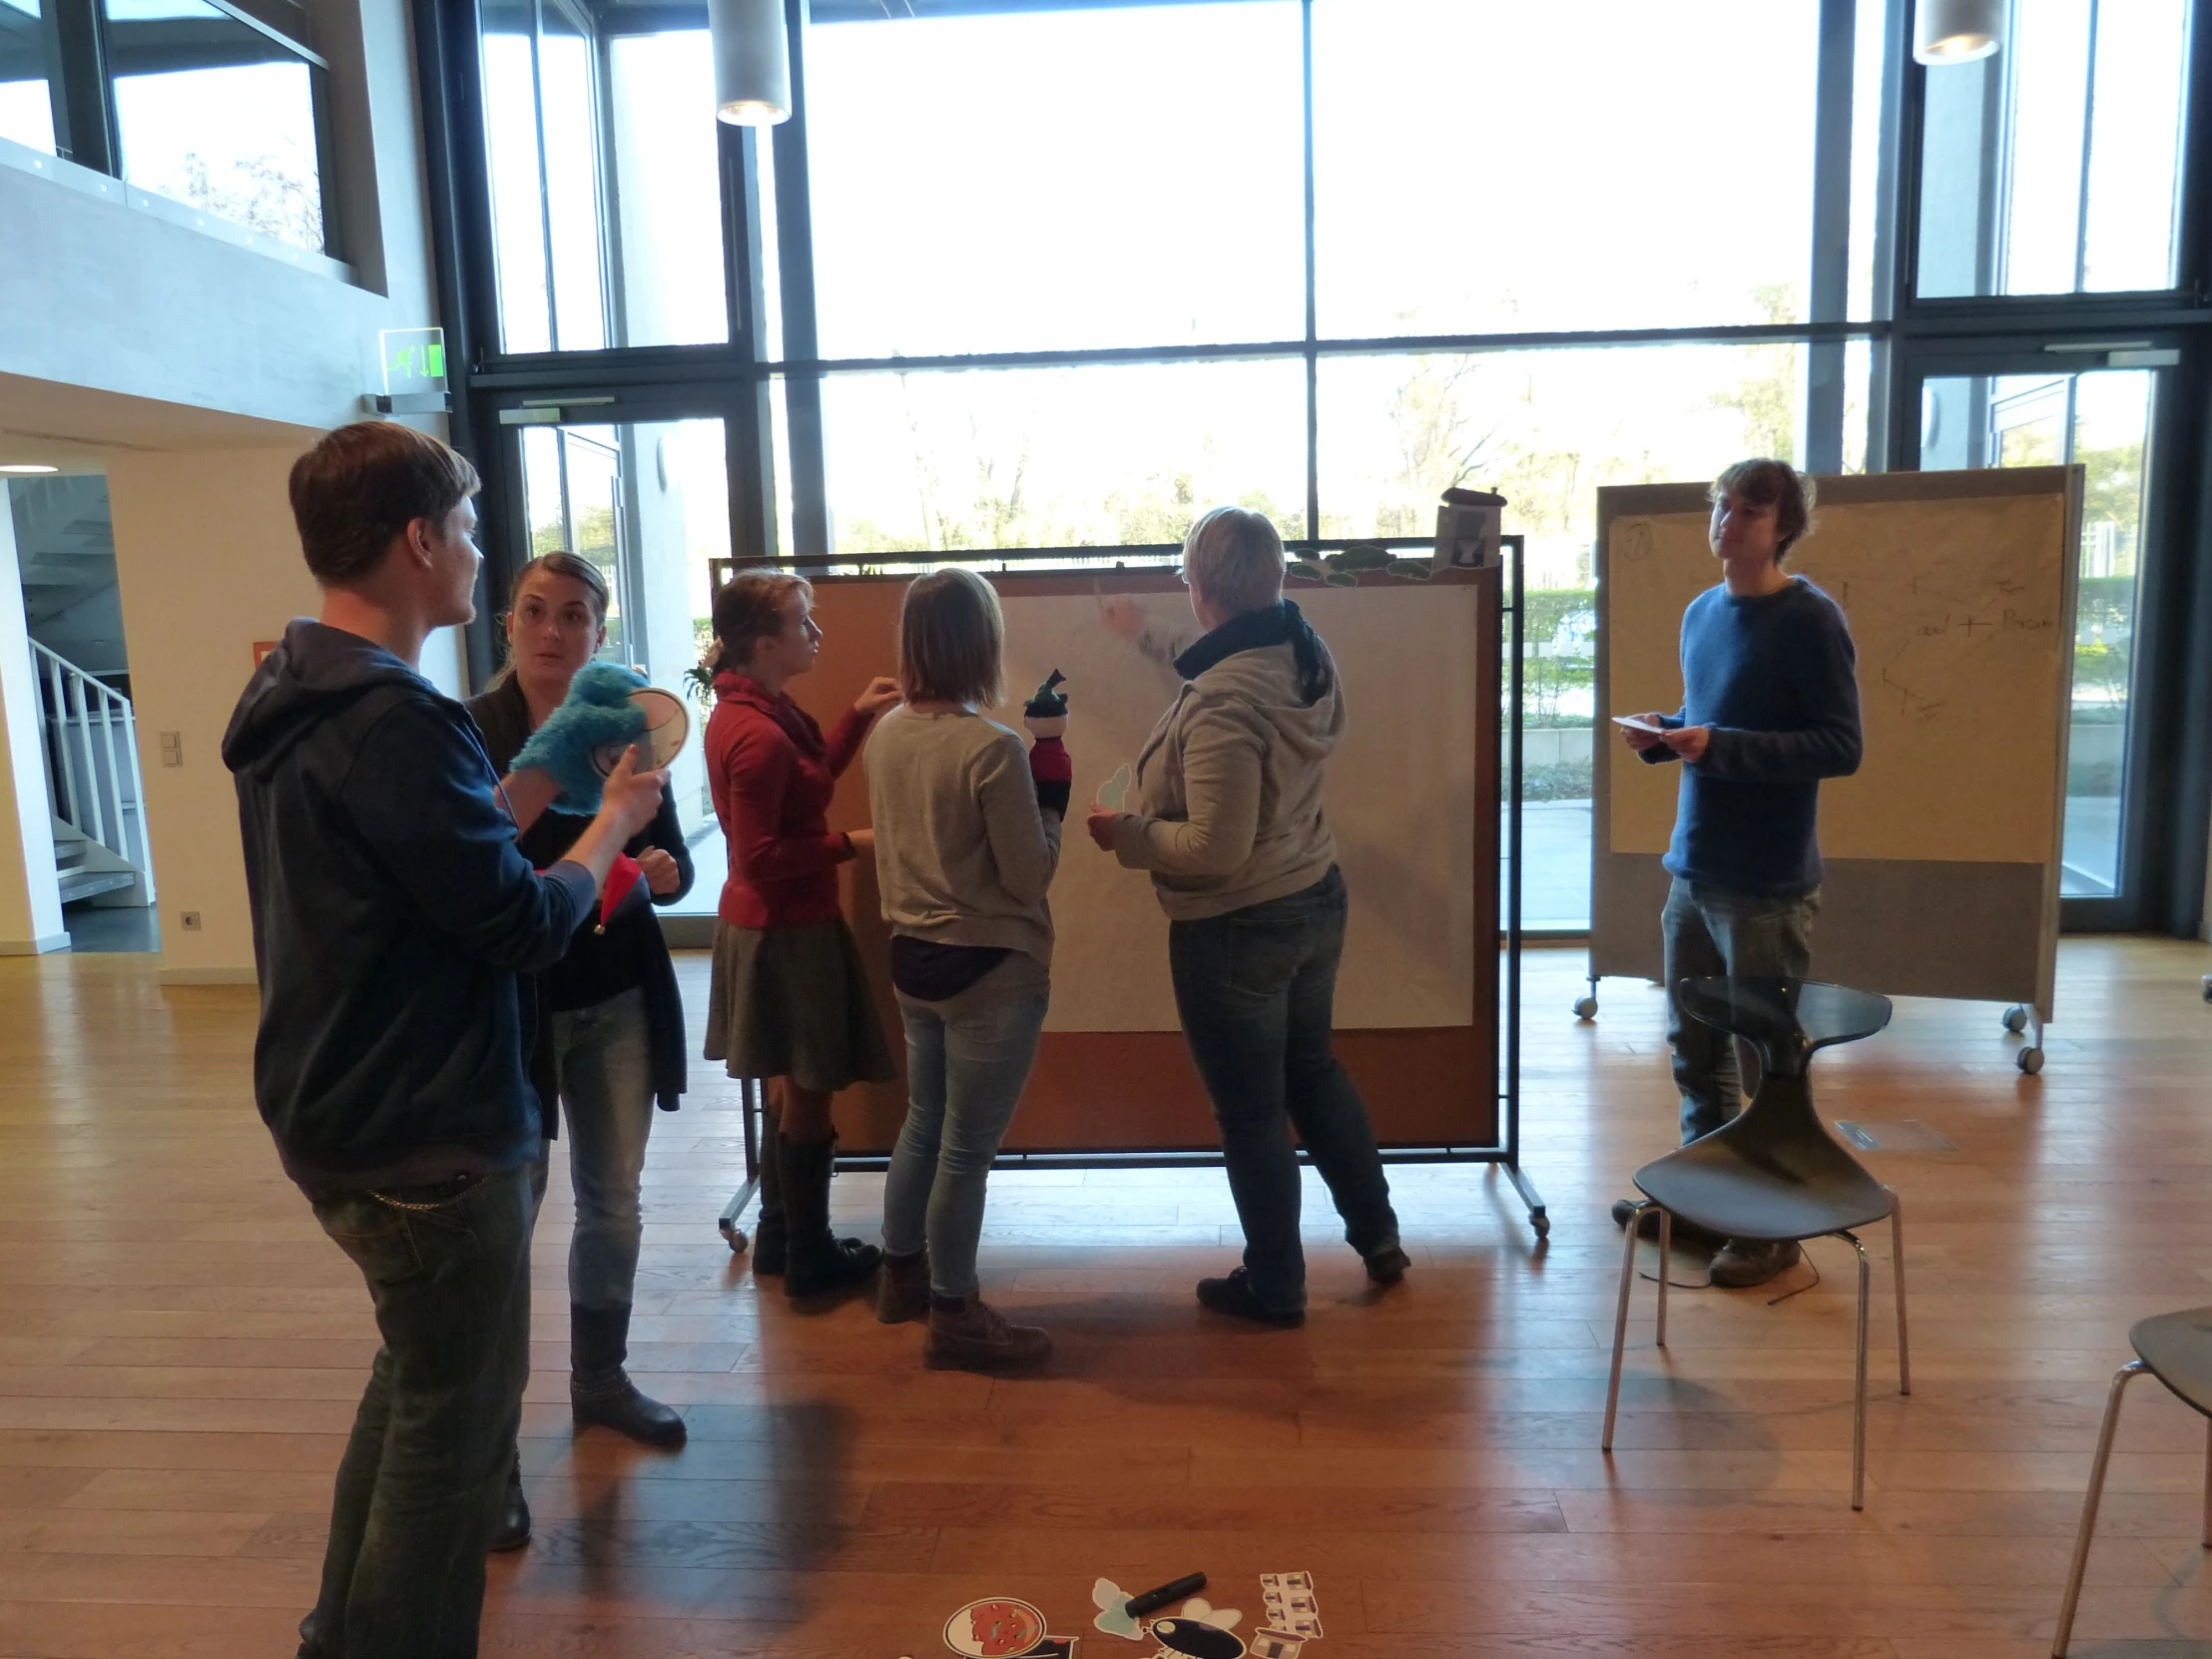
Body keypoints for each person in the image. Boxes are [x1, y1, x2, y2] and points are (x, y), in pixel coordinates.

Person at [223, 421, 666, 1659]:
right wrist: (611, 824)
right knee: (457, 1428)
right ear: (419, 540)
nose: (476, 553)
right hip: (427, 1134)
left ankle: (340, 1636)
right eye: (466, 530)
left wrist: (533, 784)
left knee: (413, 1385)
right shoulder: (396, 717)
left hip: (337, 1109)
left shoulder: (294, 689)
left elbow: (433, 855)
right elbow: (520, 921)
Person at [1085, 506, 1407, 1328]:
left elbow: (1211, 850)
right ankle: (1380, 1240)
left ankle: (1276, 1286)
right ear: (1277, 580)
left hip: (1238, 927)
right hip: (1313, 900)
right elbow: (1218, 655)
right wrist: (1144, 633)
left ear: (1201, 589)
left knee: (1256, 1114)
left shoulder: (1225, 706)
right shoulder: (1302, 649)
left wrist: (1124, 835)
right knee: (1315, 1076)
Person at [466, 551, 695, 1482]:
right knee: (506, 1216)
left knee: (613, 1202)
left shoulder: (625, 730)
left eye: (574, 616)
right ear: (510, 626)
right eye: (535, 612)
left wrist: (665, 870)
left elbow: (666, 856)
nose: (554, 632)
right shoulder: (471, 733)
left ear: (599, 634)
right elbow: (469, 870)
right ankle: (491, 1447)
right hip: (511, 1006)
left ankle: (600, 1380)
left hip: (614, 994)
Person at [1613, 458, 1863, 1290]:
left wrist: (1721, 745)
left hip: (1766, 881)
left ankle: (1772, 1229)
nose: (1728, 520)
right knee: (1696, 1050)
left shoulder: (1811, 619)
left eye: (1749, 510)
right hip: (1694, 865)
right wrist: (1668, 733)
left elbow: (1840, 745)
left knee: (1769, 1062)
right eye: (1721, 505)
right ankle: (1708, 1203)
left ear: (1782, 526)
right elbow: (1714, 719)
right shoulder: (1700, 613)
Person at [864, 569, 1064, 1372]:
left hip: (914, 964)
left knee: (924, 1123)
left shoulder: (886, 735)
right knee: (966, 1149)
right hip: (991, 972)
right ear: (983, 642)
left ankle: (898, 1275)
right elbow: (1030, 876)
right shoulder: (993, 748)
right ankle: (954, 1310)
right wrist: (1054, 803)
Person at [703, 569, 901, 1298]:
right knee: (811, 1087)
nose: (816, 633)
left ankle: (784, 1242)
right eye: (804, 622)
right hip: (785, 930)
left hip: (777, 926)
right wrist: (850, 843)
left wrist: (856, 716)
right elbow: (758, 859)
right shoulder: (756, 734)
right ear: (765, 641)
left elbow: (805, 783)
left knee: (791, 1081)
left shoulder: (758, 711)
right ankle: (810, 1258)